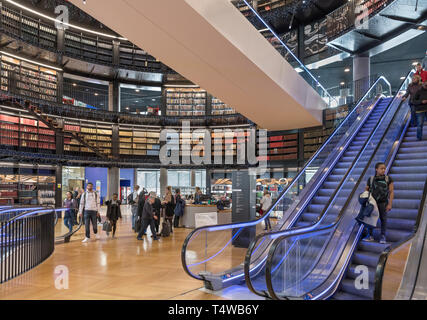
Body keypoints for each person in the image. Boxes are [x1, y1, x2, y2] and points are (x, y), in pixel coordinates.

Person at [363, 162, 394, 244]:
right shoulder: (371, 179)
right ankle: (370, 235)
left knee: (383, 219)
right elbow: (366, 190)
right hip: (372, 203)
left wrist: (390, 204)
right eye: (381, 168)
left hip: (383, 203)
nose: (383, 170)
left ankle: (383, 236)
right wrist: (365, 199)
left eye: (384, 168)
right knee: (370, 218)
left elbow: (391, 192)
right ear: (376, 169)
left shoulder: (388, 179)